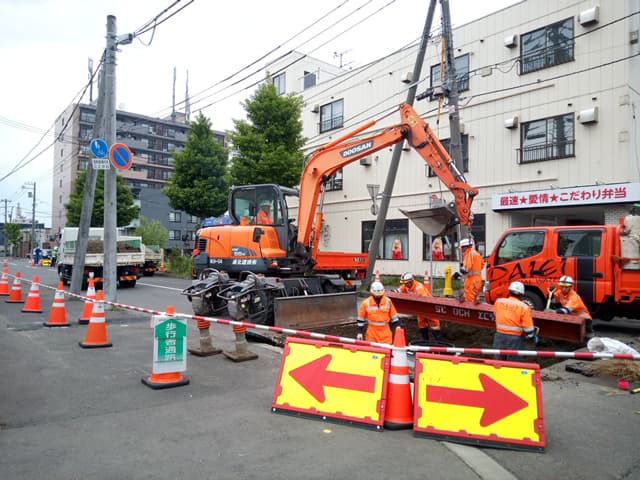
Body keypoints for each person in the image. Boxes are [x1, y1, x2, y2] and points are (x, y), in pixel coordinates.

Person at [492, 281, 536, 361]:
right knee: (513, 363)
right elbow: (528, 328)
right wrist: (531, 336)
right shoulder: (524, 307)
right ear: (521, 294)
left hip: (499, 336)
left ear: (509, 292)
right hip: (515, 339)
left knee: (498, 362)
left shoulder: (499, 302)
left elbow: (495, 314)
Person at [399, 272, 442, 341]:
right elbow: (398, 290)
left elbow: (424, 299)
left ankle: (438, 341)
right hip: (420, 308)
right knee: (422, 324)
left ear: (411, 281)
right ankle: (425, 341)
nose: (405, 285)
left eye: (406, 283)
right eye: (404, 283)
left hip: (429, 307)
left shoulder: (419, 287)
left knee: (434, 325)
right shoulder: (406, 286)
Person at [458, 238, 484, 302]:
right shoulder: (476, 253)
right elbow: (482, 265)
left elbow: (467, 269)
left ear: (466, 247)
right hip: (477, 280)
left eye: (462, 247)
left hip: (471, 281)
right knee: (475, 299)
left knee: (470, 300)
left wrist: (459, 272)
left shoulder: (469, 254)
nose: (461, 250)